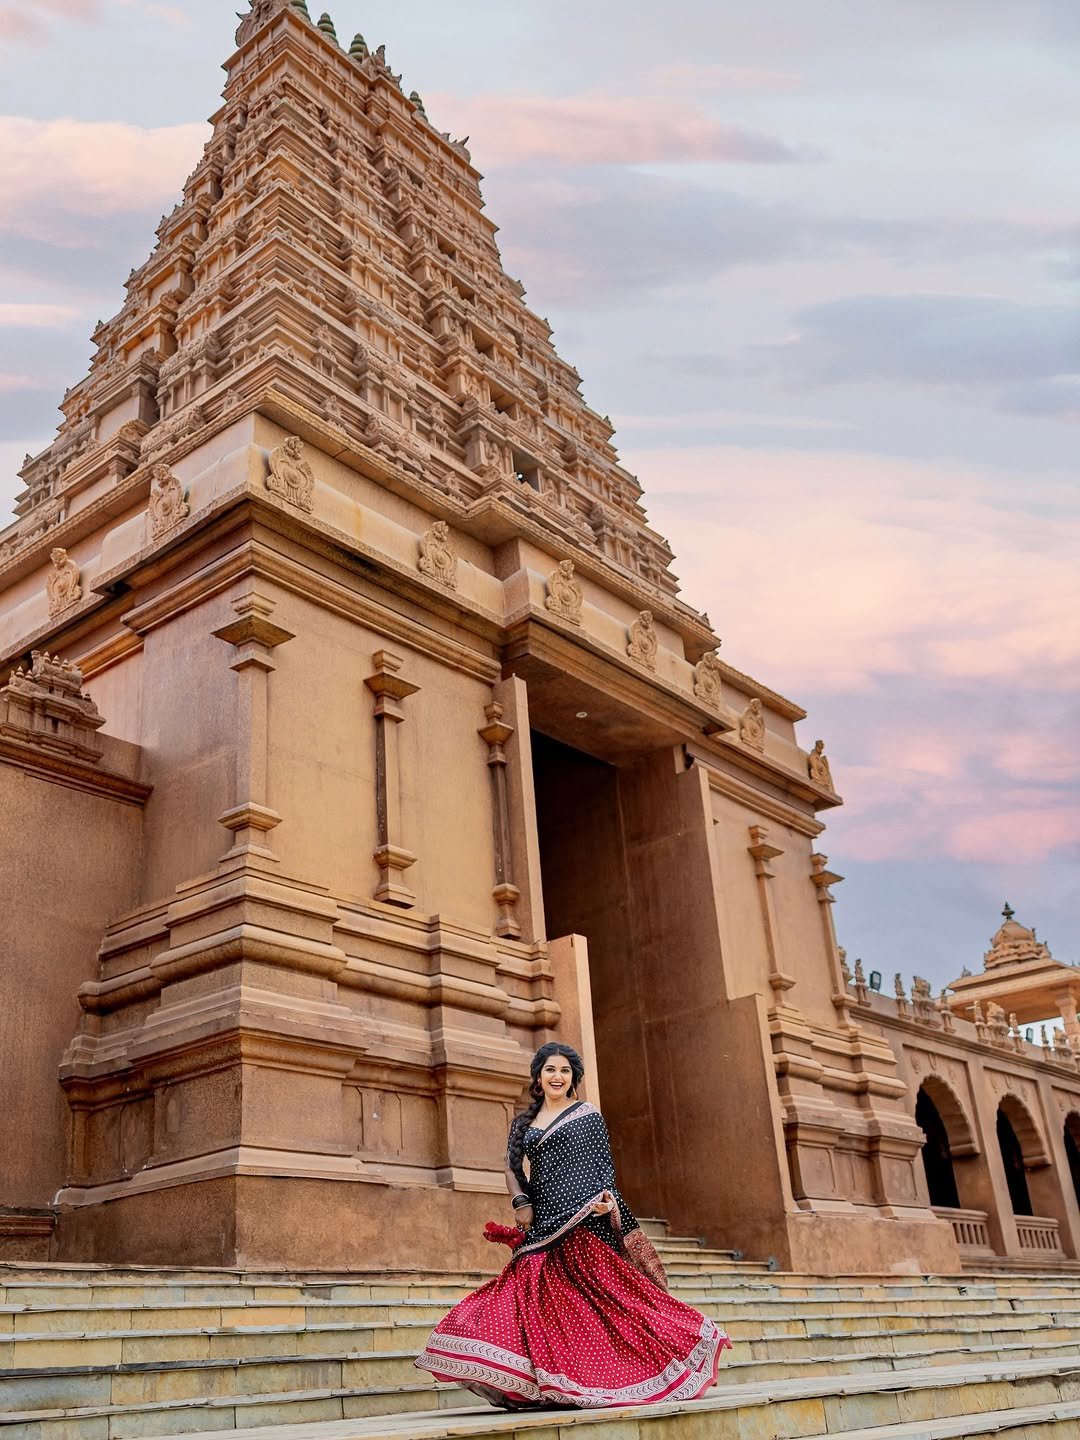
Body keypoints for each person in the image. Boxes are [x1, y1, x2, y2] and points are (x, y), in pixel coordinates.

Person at [415, 1042, 731, 1409]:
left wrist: (605, 1202)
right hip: (543, 1219)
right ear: (538, 1076)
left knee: (605, 1300)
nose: (557, 1076)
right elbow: (511, 1168)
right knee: (533, 1296)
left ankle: (610, 1372)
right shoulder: (523, 1123)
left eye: (565, 1071)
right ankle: (539, 1381)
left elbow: (603, 1168)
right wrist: (521, 1202)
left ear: (573, 1078)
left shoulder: (586, 1114)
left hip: (584, 1218)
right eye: (550, 1069)